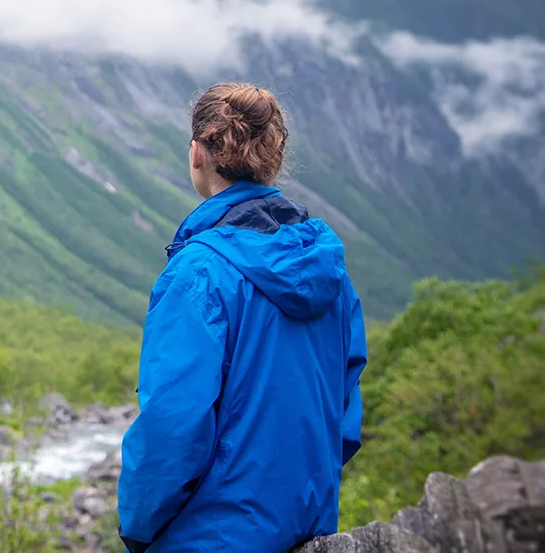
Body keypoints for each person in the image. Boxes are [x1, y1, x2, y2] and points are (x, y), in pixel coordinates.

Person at [117, 83, 368, 553]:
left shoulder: (198, 272)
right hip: (308, 528)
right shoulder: (329, 271)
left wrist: (138, 526)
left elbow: (174, 422)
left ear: (197, 153)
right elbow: (344, 416)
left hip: (211, 538)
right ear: (272, 156)